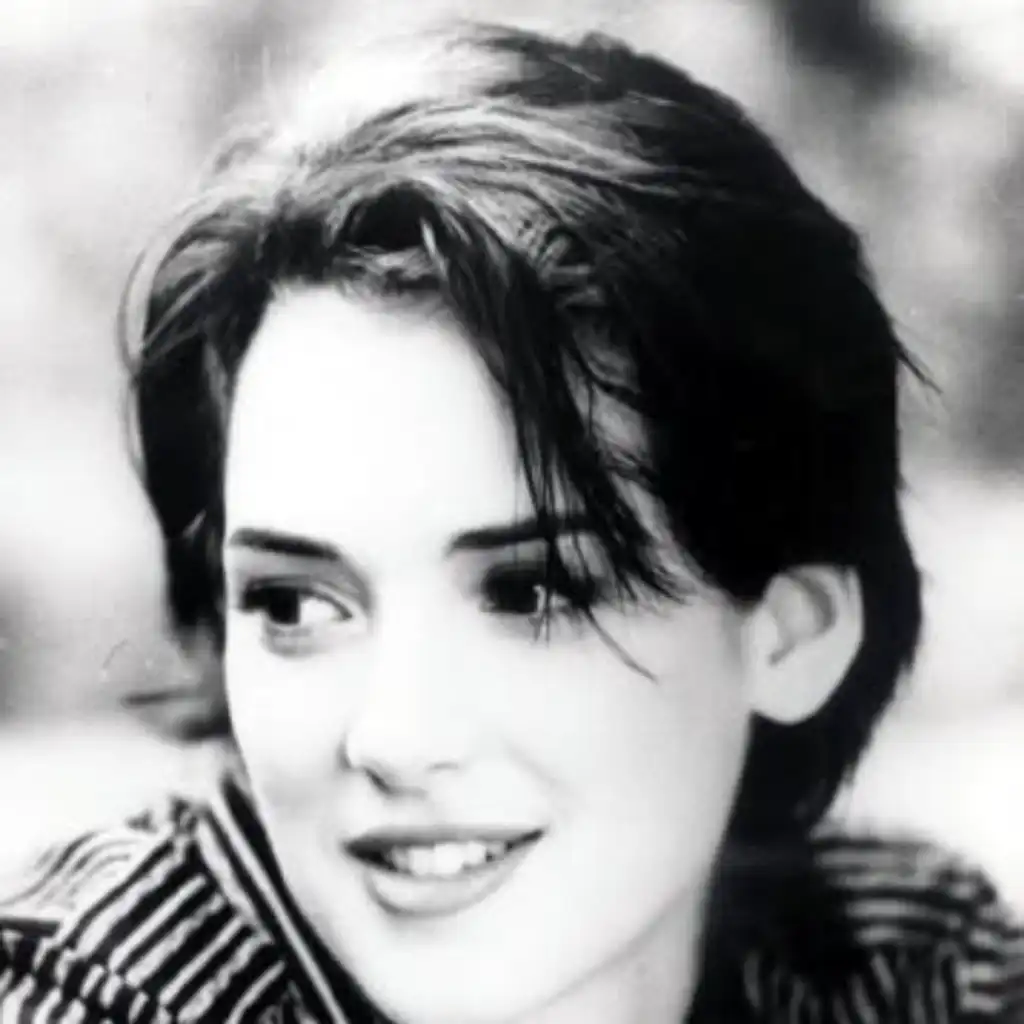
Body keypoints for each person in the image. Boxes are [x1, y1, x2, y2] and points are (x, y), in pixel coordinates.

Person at [1, 21, 1021, 1024]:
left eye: (531, 591)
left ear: (792, 632)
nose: (394, 739)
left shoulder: (910, 969)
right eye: (293, 604)